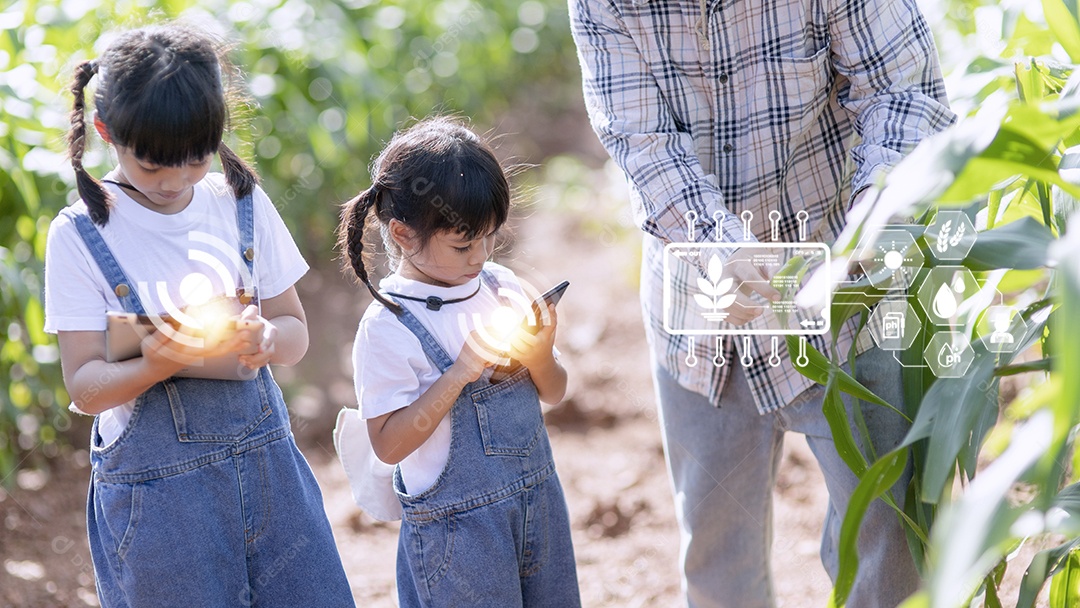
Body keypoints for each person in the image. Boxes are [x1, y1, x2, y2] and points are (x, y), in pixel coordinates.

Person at [570, 1, 956, 607]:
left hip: (849, 294)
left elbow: (902, 90)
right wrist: (715, 246)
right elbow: (642, 142)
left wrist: (868, 227)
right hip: (700, 310)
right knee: (718, 559)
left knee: (889, 546)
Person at [44, 24, 353, 607]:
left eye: (193, 158)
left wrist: (265, 337)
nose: (176, 180)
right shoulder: (82, 236)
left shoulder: (238, 202)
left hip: (271, 483)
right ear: (107, 131)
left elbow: (295, 330)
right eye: (154, 164)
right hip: (162, 507)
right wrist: (154, 362)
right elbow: (85, 386)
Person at [334, 117, 580, 607]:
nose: (480, 255)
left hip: (539, 506)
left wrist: (538, 357)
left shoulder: (501, 286)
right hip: (459, 533)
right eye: (463, 244)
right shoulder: (389, 326)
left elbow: (555, 391)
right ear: (403, 234)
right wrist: (459, 373)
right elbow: (387, 444)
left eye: (489, 238)